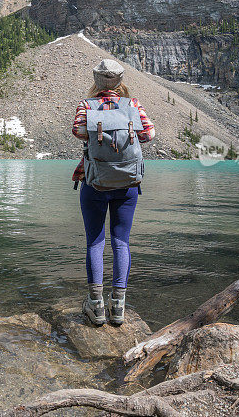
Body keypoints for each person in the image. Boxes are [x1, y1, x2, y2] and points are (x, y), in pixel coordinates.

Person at [72, 59, 154, 326]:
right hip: (127, 184)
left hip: (94, 181)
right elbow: (149, 134)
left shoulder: (87, 105)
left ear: (97, 81)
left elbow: (78, 132)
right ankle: (118, 306)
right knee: (121, 242)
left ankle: (96, 307)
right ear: (119, 82)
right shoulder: (133, 105)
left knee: (95, 242)